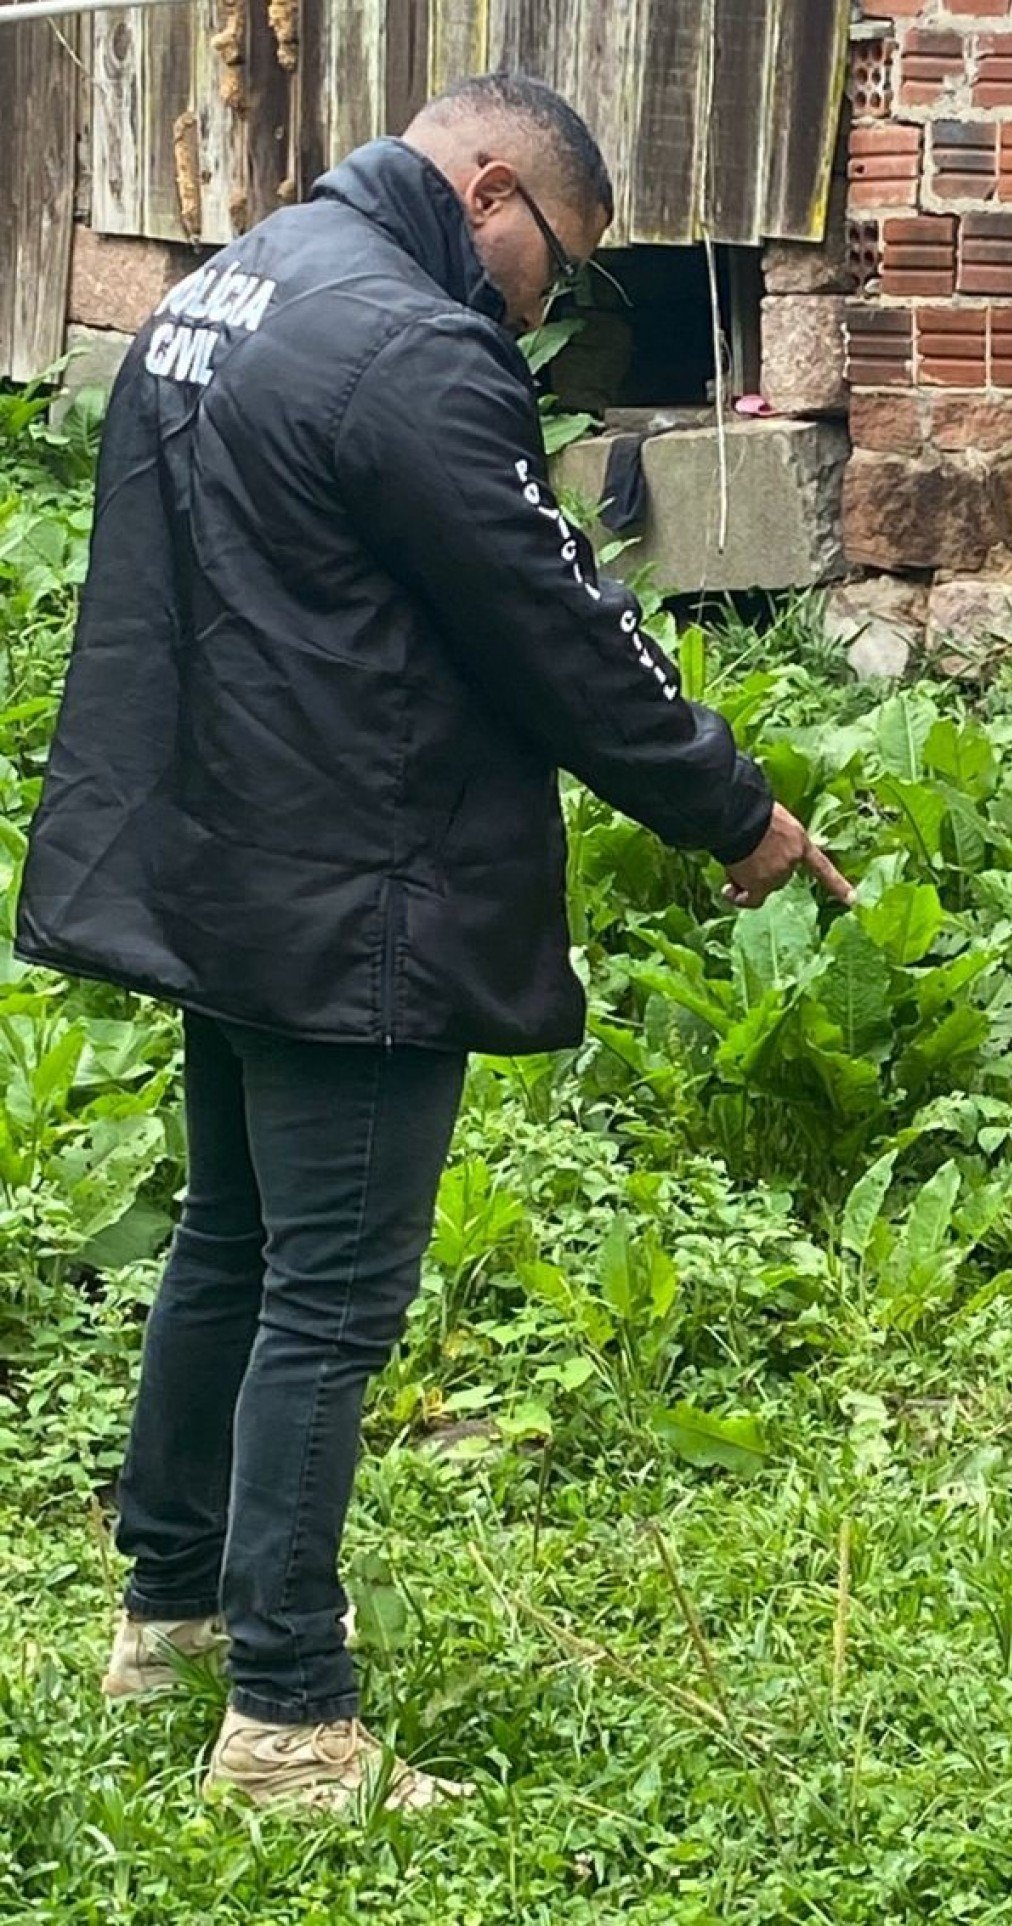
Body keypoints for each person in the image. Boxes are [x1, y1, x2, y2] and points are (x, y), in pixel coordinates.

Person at [16, 73, 850, 1813]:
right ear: (488, 194)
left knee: (231, 1248)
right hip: (353, 885)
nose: (553, 304)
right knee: (328, 1299)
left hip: (222, 858)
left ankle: (164, 1615)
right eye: (562, 261)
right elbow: (554, 621)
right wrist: (732, 805)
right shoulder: (409, 349)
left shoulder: (226, 287)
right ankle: (289, 1724)